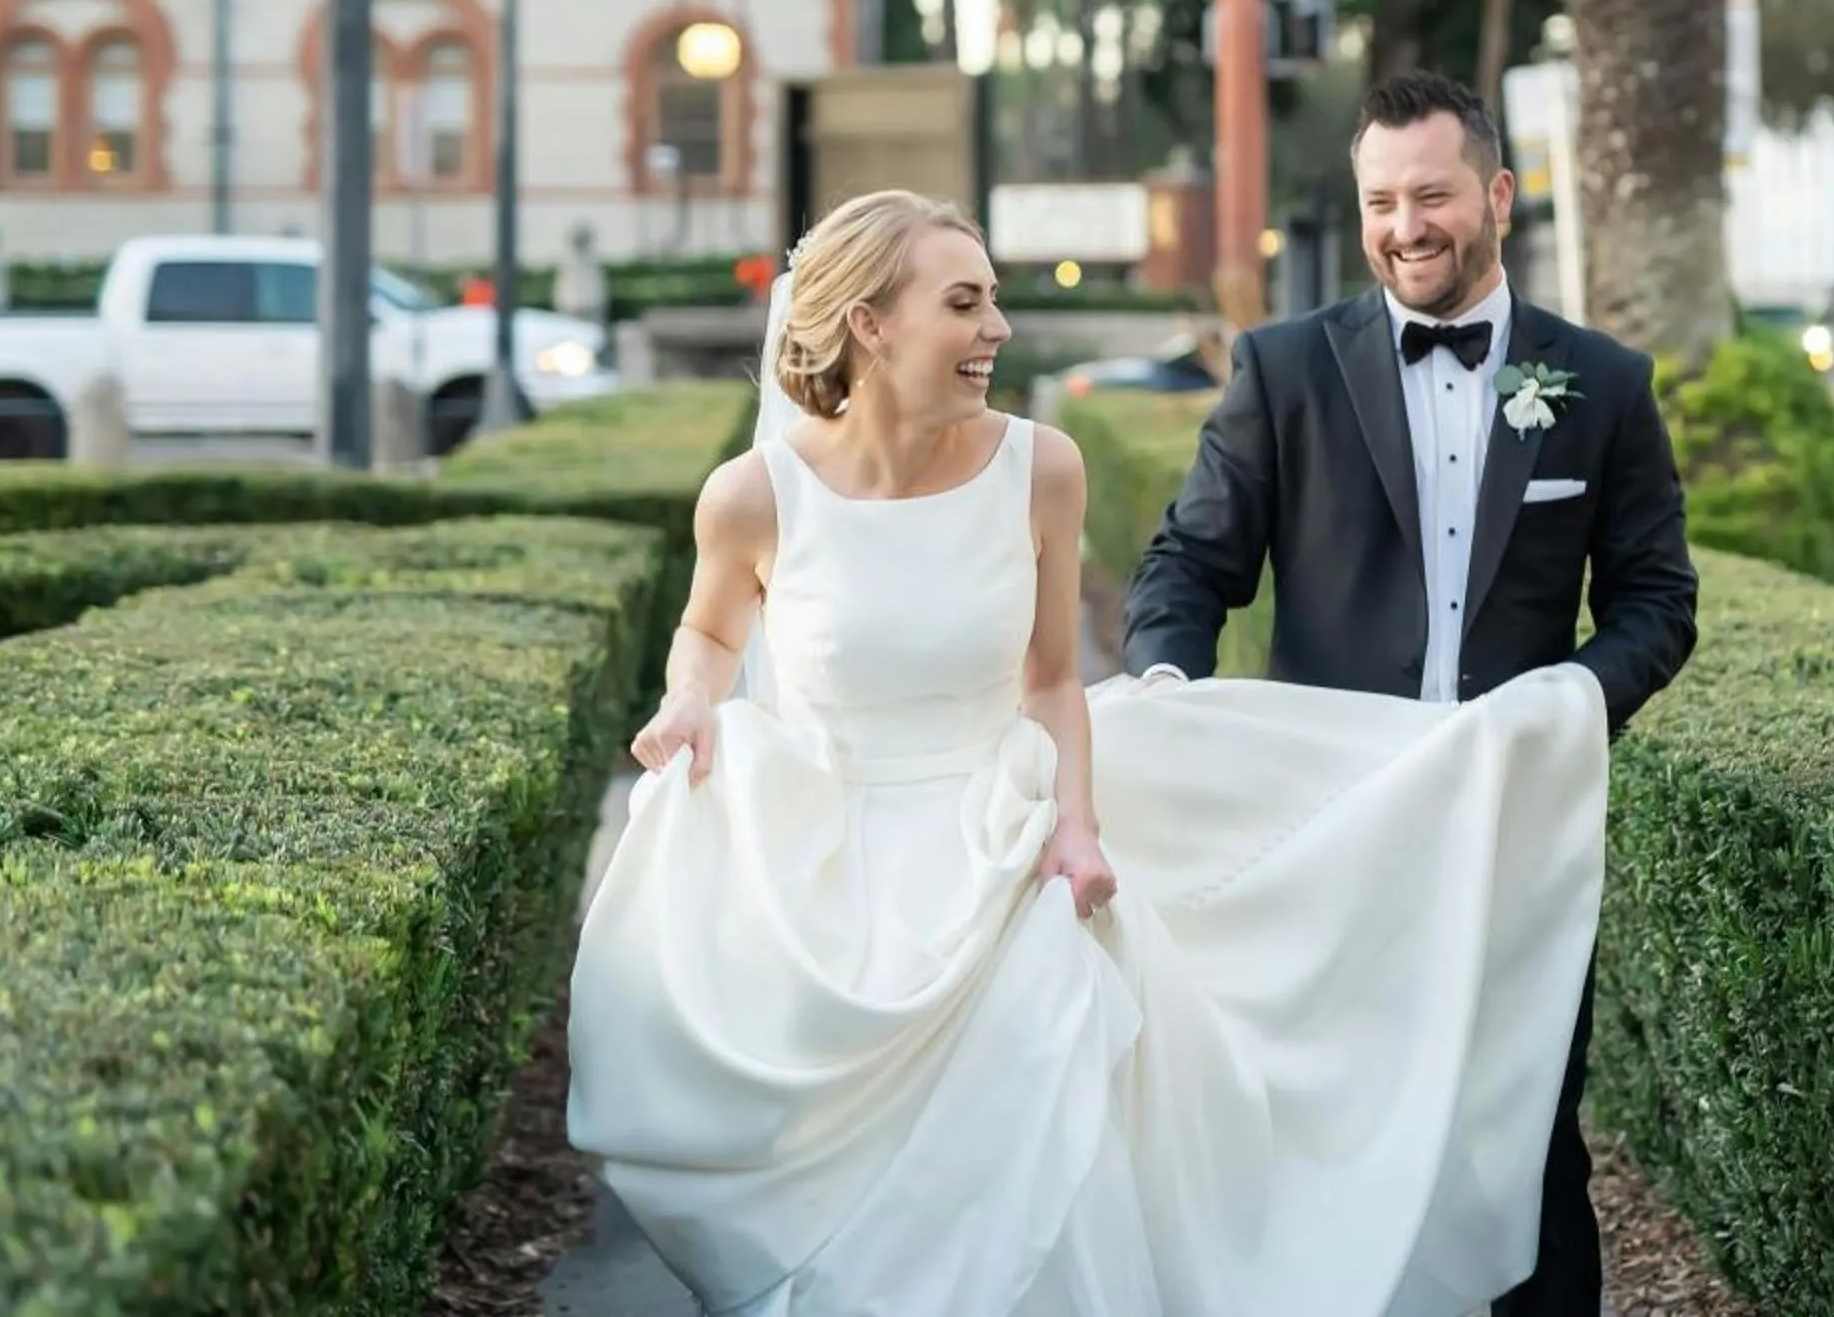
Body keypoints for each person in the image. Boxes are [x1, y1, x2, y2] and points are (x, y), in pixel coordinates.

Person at [566, 185, 1614, 1315]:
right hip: (831, 864)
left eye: (995, 301)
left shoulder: (1041, 467)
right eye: (964, 303)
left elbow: (1052, 676)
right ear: (869, 323)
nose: (997, 330)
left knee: (1033, 1139)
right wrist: (687, 703)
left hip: (997, 845)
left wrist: (1074, 825)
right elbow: (714, 628)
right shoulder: (750, 495)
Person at [1121, 69, 1701, 1317]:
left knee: (1528, 1134)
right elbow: (1190, 561)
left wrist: (1565, 709)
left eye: (1431, 194)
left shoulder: (1602, 383)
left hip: (1511, 821)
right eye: (1381, 200)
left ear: (1495, 194)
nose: (1404, 226)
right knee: (1323, 1124)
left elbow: (1658, 602)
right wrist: (1167, 695)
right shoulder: (1284, 370)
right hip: (1331, 823)